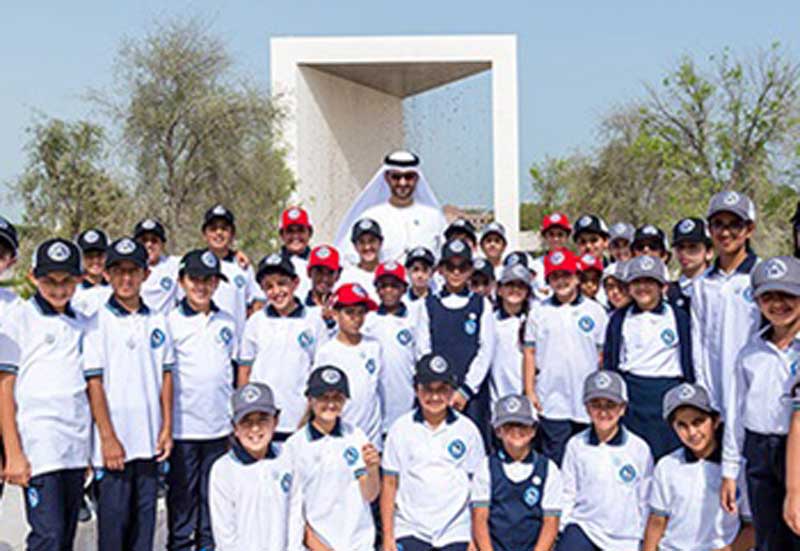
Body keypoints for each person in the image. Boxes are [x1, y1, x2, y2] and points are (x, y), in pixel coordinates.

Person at [84, 237, 175, 551]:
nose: (126, 278)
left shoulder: (158, 320)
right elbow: (94, 382)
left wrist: (165, 429)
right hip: (115, 450)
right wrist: (107, 437)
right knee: (113, 532)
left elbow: (166, 376)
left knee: (143, 531)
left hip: (148, 445)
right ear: (107, 275)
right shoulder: (97, 322)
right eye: (118, 271)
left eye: (133, 271)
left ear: (145, 274)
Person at [0, 237, 90, 550]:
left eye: (67, 281)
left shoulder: (81, 323)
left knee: (66, 534)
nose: (58, 288)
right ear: (33, 278)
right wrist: (13, 452)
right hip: (41, 448)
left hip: (75, 447)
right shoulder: (20, 317)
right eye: (49, 281)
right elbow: (5, 386)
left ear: (79, 279)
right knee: (47, 536)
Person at [722, 256, 800, 549]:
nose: (778, 304)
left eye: (788, 295)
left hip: (796, 450)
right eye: (768, 296)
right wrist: (730, 471)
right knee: (767, 536)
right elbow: (735, 413)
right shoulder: (749, 353)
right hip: (759, 452)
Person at [165, 249, 238, 551]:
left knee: (213, 496)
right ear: (182, 281)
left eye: (209, 280)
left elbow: (233, 370)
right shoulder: (169, 322)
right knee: (183, 496)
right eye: (195, 279)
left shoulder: (228, 322)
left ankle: (209, 545)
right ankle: (180, 545)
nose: (201, 286)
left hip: (218, 428)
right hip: (184, 429)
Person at [381, 354, 485, 551]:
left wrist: (474, 538)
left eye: (442, 390)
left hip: (455, 530)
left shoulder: (468, 430)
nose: (435, 397)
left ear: (452, 391)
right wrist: (388, 537)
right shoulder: (400, 429)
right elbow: (389, 484)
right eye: (428, 389)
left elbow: (477, 488)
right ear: (416, 389)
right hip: (410, 528)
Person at [523, 248, 608, 465]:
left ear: (577, 276)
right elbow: (530, 353)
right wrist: (530, 391)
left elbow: (602, 356)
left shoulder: (595, 311)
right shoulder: (538, 312)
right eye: (555, 276)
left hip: (586, 400)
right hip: (552, 399)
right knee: (555, 459)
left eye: (566, 275)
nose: (561, 281)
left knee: (588, 459)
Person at [604, 255, 694, 459]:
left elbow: (688, 358)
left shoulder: (678, 316)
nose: (642, 288)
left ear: (662, 286)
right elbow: (611, 360)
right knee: (634, 456)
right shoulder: (619, 318)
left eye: (649, 282)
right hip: (633, 395)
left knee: (669, 456)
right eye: (637, 282)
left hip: (667, 392)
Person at [285, 366, 380, 551]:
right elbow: (294, 512)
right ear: (310, 399)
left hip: (359, 544)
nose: (330, 404)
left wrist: (373, 469)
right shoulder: (294, 446)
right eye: (323, 397)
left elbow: (370, 494)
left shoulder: (356, 436)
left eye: (337, 397)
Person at [557, 370, 653, 551]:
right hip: (586, 528)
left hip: (625, 536)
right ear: (586, 408)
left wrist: (642, 537)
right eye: (596, 405)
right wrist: (565, 525)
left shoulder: (639, 448)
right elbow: (568, 492)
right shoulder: (576, 445)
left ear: (623, 408)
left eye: (610, 405)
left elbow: (645, 498)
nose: (603, 412)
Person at [237, 253, 327, 442]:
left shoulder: (313, 321)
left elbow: (319, 372)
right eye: (269, 286)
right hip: (261, 422)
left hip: (299, 419)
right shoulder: (256, 322)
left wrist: (311, 414)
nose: (276, 291)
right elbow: (245, 371)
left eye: (282, 283)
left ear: (295, 283)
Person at [416, 239, 496, 451]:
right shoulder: (429, 304)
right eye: (450, 267)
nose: (456, 272)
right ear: (441, 270)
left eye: (463, 267)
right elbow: (423, 350)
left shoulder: (481, 304)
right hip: (438, 393)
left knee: (474, 449)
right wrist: (438, 388)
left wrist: (466, 390)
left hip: (472, 396)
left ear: (470, 269)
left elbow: (486, 350)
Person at [643, 383, 740, 551]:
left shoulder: (734, 469)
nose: (692, 432)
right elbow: (657, 520)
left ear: (715, 421)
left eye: (698, 422)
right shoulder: (667, 466)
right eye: (682, 425)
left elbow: (751, 527)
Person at [208, 382, 301, 550]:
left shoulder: (287, 457)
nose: (255, 428)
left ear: (276, 421)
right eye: (246, 421)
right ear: (235, 428)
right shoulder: (223, 470)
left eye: (263, 419)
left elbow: (295, 515)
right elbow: (225, 534)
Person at [690, 191, 760, 416]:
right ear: (709, 230)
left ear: (749, 229)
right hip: (715, 398)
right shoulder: (702, 283)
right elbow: (698, 341)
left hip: (754, 393)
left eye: (735, 225)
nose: (726, 232)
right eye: (718, 225)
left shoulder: (760, 276)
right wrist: (704, 391)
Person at [471, 394, 562, 551]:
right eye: (508, 426)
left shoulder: (547, 469)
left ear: (533, 430)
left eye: (522, 425)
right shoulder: (487, 467)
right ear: (498, 431)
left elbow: (550, 522)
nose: (516, 431)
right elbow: (480, 518)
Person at [335, 150, 447, 265]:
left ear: (416, 178)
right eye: (396, 177)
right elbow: (349, 259)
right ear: (387, 177)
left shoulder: (434, 217)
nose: (402, 183)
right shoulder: (371, 216)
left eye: (408, 177)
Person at [314, 283, 383, 449]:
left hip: (371, 437)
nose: (356, 318)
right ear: (336, 314)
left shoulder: (374, 346)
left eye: (361, 313)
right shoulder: (327, 351)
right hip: (340, 437)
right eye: (349, 312)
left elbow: (377, 389)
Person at [362, 261, 419, 435]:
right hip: (374, 405)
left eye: (394, 286)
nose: (388, 291)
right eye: (383, 286)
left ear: (404, 288)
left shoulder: (414, 319)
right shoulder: (368, 320)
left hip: (404, 399)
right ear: (376, 289)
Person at [200, 204, 264, 340]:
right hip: (202, 344)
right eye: (213, 228)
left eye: (224, 228)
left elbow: (257, 302)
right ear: (204, 234)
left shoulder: (243, 267)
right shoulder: (194, 264)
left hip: (236, 346)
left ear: (232, 234)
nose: (219, 233)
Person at [489, 264, 532, 413]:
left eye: (521, 286)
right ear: (499, 290)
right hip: (496, 399)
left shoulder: (534, 320)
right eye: (510, 285)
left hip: (526, 398)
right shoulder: (490, 321)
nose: (515, 289)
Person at [135, 218, 182, 314]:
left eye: (154, 240)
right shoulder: (127, 268)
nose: (149, 245)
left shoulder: (174, 265)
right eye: (144, 240)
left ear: (162, 244)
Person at [668, 217, 713, 312]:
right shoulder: (669, 292)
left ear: (709, 252)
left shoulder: (719, 288)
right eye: (680, 247)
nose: (685, 253)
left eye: (692, 247)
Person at [339, 218, 383, 302]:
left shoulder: (390, 274)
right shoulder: (346, 277)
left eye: (372, 241)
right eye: (362, 242)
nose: (367, 247)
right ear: (355, 246)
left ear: (380, 242)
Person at [72, 228, 111, 316]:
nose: (95, 261)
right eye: (89, 256)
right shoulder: (72, 292)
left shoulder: (116, 289)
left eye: (100, 255)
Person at [279, 206, 314, 299]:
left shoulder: (320, 264)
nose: (295, 236)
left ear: (309, 233)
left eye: (301, 230)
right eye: (290, 231)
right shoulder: (273, 266)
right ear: (282, 235)